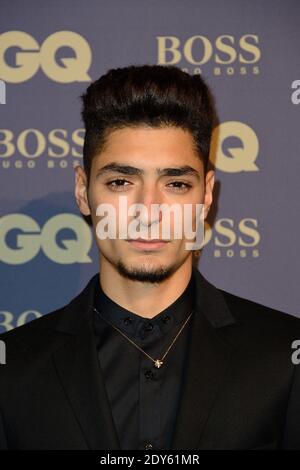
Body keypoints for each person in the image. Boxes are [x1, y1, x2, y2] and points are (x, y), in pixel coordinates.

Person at [0, 65, 300, 450]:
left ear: (206, 195)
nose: (148, 210)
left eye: (176, 184)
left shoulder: (285, 358)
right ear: (82, 190)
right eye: (121, 182)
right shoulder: (12, 370)